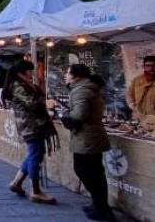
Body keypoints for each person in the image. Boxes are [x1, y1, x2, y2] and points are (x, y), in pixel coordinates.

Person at [61, 64, 114, 221]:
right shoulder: (88, 87)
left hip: (87, 137)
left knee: (85, 170)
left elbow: (79, 114)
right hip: (92, 135)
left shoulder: (81, 89)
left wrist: (66, 113)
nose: (65, 75)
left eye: (67, 72)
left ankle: (101, 207)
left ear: (75, 75)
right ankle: (100, 205)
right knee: (95, 171)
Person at [3, 60, 59, 204]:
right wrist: (44, 101)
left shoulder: (26, 84)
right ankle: (36, 190)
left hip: (35, 125)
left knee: (35, 154)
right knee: (35, 155)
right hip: (30, 125)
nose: (32, 73)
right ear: (22, 72)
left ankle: (17, 182)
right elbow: (31, 103)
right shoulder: (18, 86)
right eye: (29, 71)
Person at [125, 55, 155, 120]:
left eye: (154, 65)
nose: (151, 68)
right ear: (144, 67)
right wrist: (131, 103)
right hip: (138, 117)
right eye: (148, 66)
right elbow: (129, 93)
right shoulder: (137, 80)